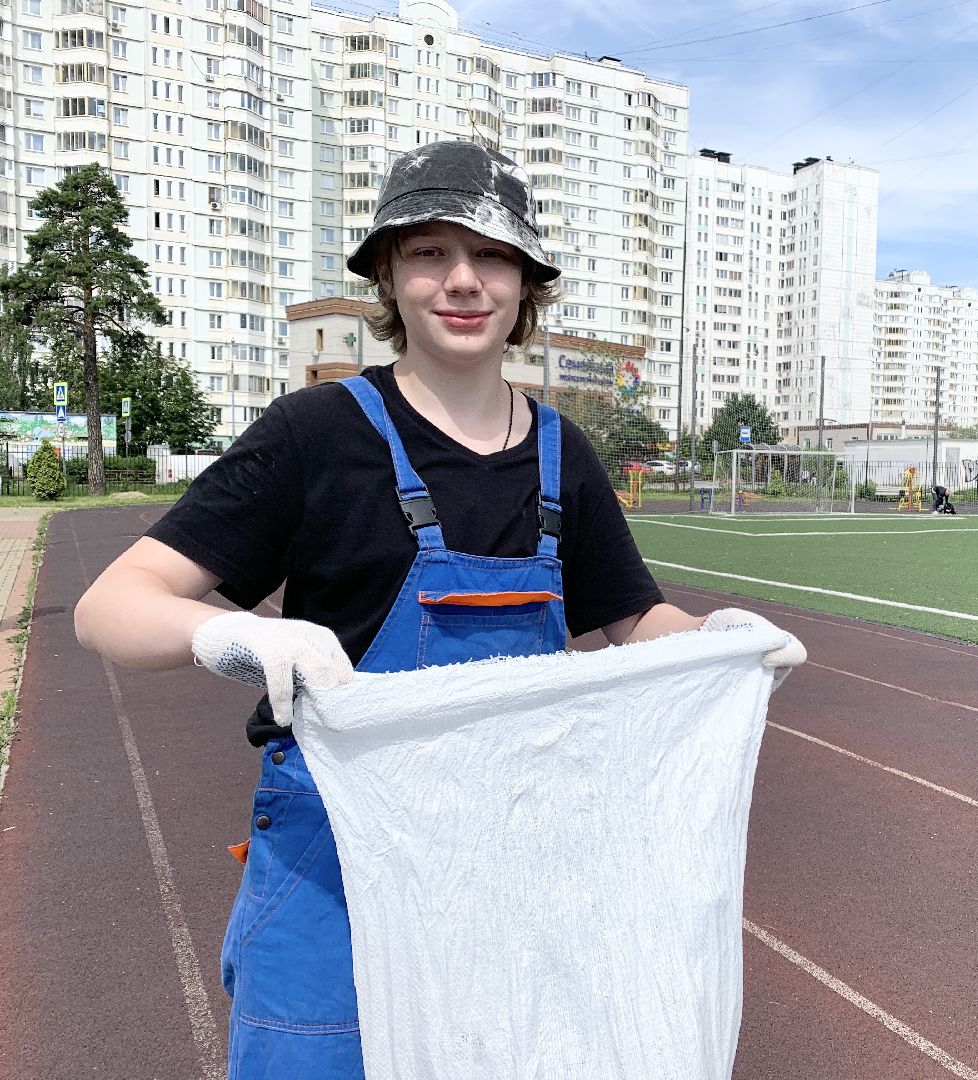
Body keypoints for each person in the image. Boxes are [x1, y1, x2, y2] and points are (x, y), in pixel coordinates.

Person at [73, 139, 805, 1079]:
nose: (461, 282)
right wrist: (234, 632)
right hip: (333, 860)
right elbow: (110, 607)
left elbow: (631, 620)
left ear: (526, 283)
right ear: (388, 273)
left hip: (510, 867)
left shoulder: (563, 455)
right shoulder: (317, 434)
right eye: (428, 253)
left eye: (491, 256)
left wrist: (718, 642)